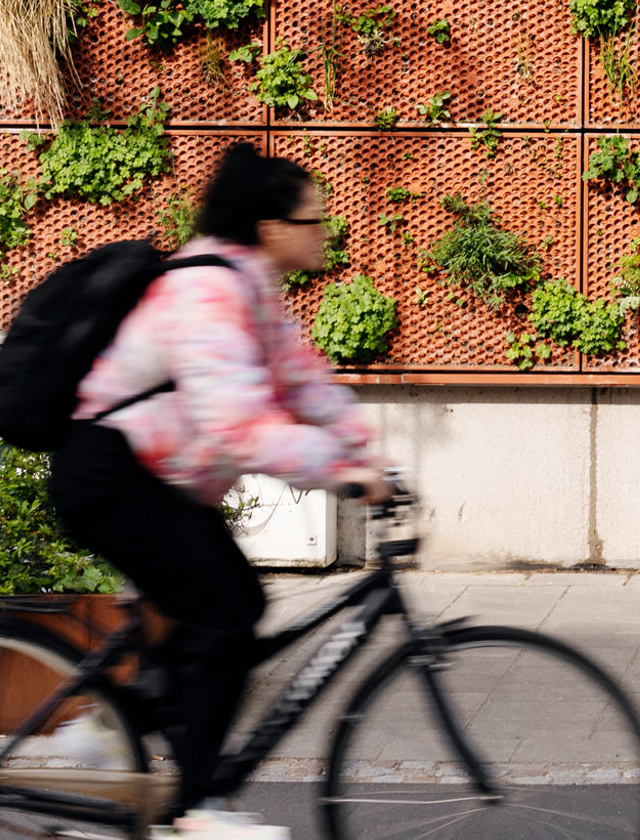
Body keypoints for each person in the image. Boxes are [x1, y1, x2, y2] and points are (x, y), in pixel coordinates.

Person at [47, 142, 387, 832]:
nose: (325, 232)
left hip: (150, 476)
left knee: (226, 605)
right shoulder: (209, 290)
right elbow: (238, 427)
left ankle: (116, 728)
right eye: (313, 220)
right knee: (228, 609)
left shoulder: (252, 285)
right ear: (270, 228)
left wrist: (364, 449)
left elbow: (301, 379)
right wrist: (340, 470)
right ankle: (197, 805)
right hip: (109, 472)